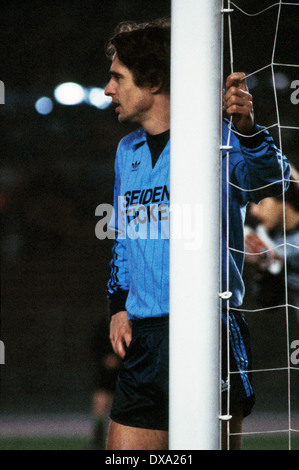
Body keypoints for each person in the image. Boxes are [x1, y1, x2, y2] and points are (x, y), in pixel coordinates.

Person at [103, 19, 290, 450]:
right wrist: (118, 305)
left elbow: (274, 179)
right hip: (145, 339)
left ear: (153, 81)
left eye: (117, 77)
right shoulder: (126, 150)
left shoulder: (220, 140)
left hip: (209, 331)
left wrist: (246, 129)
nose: (108, 89)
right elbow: (123, 238)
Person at [244, 167, 299, 311]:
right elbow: (269, 304)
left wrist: (272, 255)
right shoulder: (273, 238)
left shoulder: (276, 245)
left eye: (260, 202)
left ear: (282, 195)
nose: (254, 211)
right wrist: (261, 269)